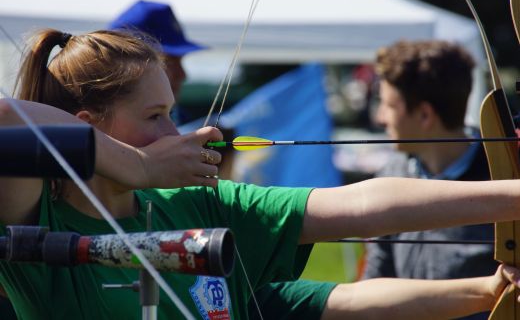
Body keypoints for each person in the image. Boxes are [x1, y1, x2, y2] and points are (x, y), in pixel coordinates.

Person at [2, 29, 520, 320]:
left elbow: (356, 207)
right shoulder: (32, 216)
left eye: (172, 112)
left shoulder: (197, 203)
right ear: (89, 125)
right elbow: (7, 117)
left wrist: (493, 280)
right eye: (154, 117)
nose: (175, 131)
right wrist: (135, 163)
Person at [108, 0, 338, 319]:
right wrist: (141, 166)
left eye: (169, 115)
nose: (183, 73)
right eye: (171, 59)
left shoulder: (192, 200)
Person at [362, 40, 495, 319]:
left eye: (388, 104)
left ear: (424, 115)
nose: (380, 117)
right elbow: (374, 279)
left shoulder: (502, 177)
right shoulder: (391, 175)